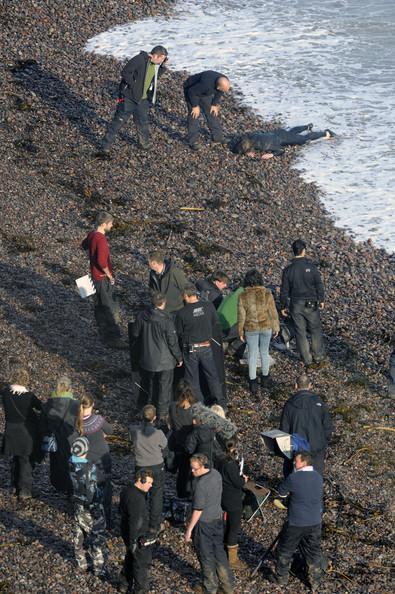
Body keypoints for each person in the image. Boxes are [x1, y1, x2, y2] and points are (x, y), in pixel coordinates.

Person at [99, 45, 168, 155]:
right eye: (162, 58)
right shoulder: (139, 59)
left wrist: (163, 67)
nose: (162, 61)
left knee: (143, 122)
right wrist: (133, 85)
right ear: (155, 55)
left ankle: (143, 143)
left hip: (143, 99)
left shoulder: (155, 65)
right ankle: (105, 146)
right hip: (128, 98)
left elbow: (154, 77)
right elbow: (125, 72)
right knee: (118, 122)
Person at [272, 451, 324, 590]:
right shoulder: (318, 477)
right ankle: (315, 582)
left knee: (285, 550)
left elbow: (281, 493)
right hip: (315, 522)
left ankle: (281, 579)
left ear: (304, 462)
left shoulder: (294, 478)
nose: (294, 463)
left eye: (296, 461)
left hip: (296, 522)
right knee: (313, 552)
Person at [129, 292, 183, 422]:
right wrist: (179, 357)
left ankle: (144, 409)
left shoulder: (142, 316)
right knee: (164, 387)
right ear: (163, 303)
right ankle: (162, 414)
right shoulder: (166, 320)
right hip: (164, 361)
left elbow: (135, 333)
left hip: (146, 358)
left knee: (146, 384)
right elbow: (172, 341)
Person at [185, 453, 234, 594]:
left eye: (195, 469)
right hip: (218, 520)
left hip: (204, 523)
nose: (192, 471)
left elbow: (198, 510)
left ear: (203, 466)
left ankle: (210, 588)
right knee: (219, 553)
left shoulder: (201, 485)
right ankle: (227, 587)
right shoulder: (216, 474)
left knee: (206, 556)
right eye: (191, 468)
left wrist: (189, 529)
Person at [176, 285, 225, 407]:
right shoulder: (208, 306)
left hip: (191, 348)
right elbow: (215, 322)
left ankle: (200, 405)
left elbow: (179, 332)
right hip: (206, 346)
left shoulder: (182, 313)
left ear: (186, 296)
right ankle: (221, 403)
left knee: (192, 380)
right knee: (212, 375)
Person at [280, 239, 326, 368]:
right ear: (304, 250)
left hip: (295, 304)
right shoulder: (311, 267)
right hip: (311, 303)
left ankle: (307, 360)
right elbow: (319, 285)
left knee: (300, 332)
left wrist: (283, 306)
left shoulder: (288, 270)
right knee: (315, 330)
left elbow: (284, 291)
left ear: (293, 251)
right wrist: (321, 299)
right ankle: (318, 356)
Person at [81, 211, 123, 348]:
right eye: (110, 223)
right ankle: (113, 339)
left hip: (93, 277)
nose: (112, 226)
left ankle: (103, 334)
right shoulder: (101, 240)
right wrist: (109, 274)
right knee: (109, 307)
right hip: (101, 277)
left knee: (98, 306)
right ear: (104, 224)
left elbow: (83, 245)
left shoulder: (92, 235)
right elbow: (101, 261)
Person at [0, 366, 42, 500]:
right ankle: (25, 490)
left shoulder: (6, 393)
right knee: (25, 461)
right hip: (25, 432)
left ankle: (15, 486)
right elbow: (41, 407)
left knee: (15, 458)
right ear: (26, 380)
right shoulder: (29, 396)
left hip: (11, 432)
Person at [280, 374, 332, 477]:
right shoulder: (319, 403)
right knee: (315, 479)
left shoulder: (290, 405)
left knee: (295, 481)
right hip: (316, 449)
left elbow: (283, 431)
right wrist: (322, 443)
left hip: (296, 450)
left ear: (295, 386)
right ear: (310, 385)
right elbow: (327, 427)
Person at [237, 269, 280, 394]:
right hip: (266, 326)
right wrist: (276, 327)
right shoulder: (267, 293)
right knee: (264, 352)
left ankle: (253, 382)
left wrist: (240, 331)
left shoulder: (243, 295)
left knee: (252, 355)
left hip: (251, 328)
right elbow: (273, 312)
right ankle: (265, 379)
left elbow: (241, 316)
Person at [69, 436, 107, 575]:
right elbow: (100, 482)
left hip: (77, 504)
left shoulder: (70, 463)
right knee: (96, 537)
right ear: (86, 450)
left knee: (79, 534)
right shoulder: (90, 467)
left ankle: (81, 563)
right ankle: (99, 569)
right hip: (92, 506)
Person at [129, 405, 167, 537]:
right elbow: (165, 446)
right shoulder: (158, 434)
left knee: (140, 494)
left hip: (141, 467)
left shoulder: (134, 431)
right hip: (157, 466)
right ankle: (154, 526)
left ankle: (139, 522)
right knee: (156, 495)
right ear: (154, 418)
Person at [77, 394, 113, 528]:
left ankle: (92, 518)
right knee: (106, 488)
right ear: (92, 406)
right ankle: (107, 520)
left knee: (90, 489)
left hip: (87, 460)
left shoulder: (77, 422)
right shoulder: (98, 419)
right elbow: (110, 430)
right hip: (103, 457)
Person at [41, 375, 80, 495]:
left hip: (55, 439)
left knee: (57, 463)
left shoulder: (49, 403)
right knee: (71, 464)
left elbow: (43, 424)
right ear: (69, 389)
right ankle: (71, 489)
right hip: (71, 438)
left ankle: (60, 485)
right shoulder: (76, 404)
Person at [119, 469, 155, 594]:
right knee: (141, 564)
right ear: (141, 480)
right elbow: (136, 521)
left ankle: (124, 584)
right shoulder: (138, 499)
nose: (151, 485)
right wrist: (134, 541)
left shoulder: (126, 490)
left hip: (126, 531)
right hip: (138, 535)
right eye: (149, 482)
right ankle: (141, 589)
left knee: (129, 557)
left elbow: (121, 511)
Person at [217, 439, 248, 570]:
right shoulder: (231, 465)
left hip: (223, 495)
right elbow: (238, 483)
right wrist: (244, 479)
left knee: (228, 524)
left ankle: (224, 546)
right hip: (233, 498)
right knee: (234, 527)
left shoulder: (220, 461)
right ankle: (232, 559)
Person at [183, 71, 231, 150]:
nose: (226, 91)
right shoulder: (206, 85)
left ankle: (218, 137)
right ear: (218, 87)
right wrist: (195, 106)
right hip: (191, 90)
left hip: (203, 92)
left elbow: (221, 91)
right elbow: (191, 92)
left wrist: (214, 104)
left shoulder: (224, 80)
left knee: (212, 112)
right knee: (194, 115)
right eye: (224, 90)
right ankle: (192, 141)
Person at [232, 124, 335, 158]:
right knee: (291, 132)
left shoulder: (264, 146)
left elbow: (281, 150)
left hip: (283, 139)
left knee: (304, 139)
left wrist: (271, 155)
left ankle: (326, 133)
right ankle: (307, 126)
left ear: (250, 150)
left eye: (246, 153)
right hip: (277, 132)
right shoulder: (250, 137)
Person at [168, 380, 196, 499]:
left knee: (182, 473)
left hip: (179, 443)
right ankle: (190, 494)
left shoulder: (173, 407)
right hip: (192, 445)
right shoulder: (195, 409)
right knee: (192, 472)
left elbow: (171, 424)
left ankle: (181, 496)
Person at [148, 250, 188, 315]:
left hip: (176, 310)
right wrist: (155, 298)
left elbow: (186, 289)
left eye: (149, 262)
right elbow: (151, 288)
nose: (148, 264)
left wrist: (188, 309)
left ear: (154, 263)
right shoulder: (152, 274)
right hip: (160, 309)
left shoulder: (174, 272)